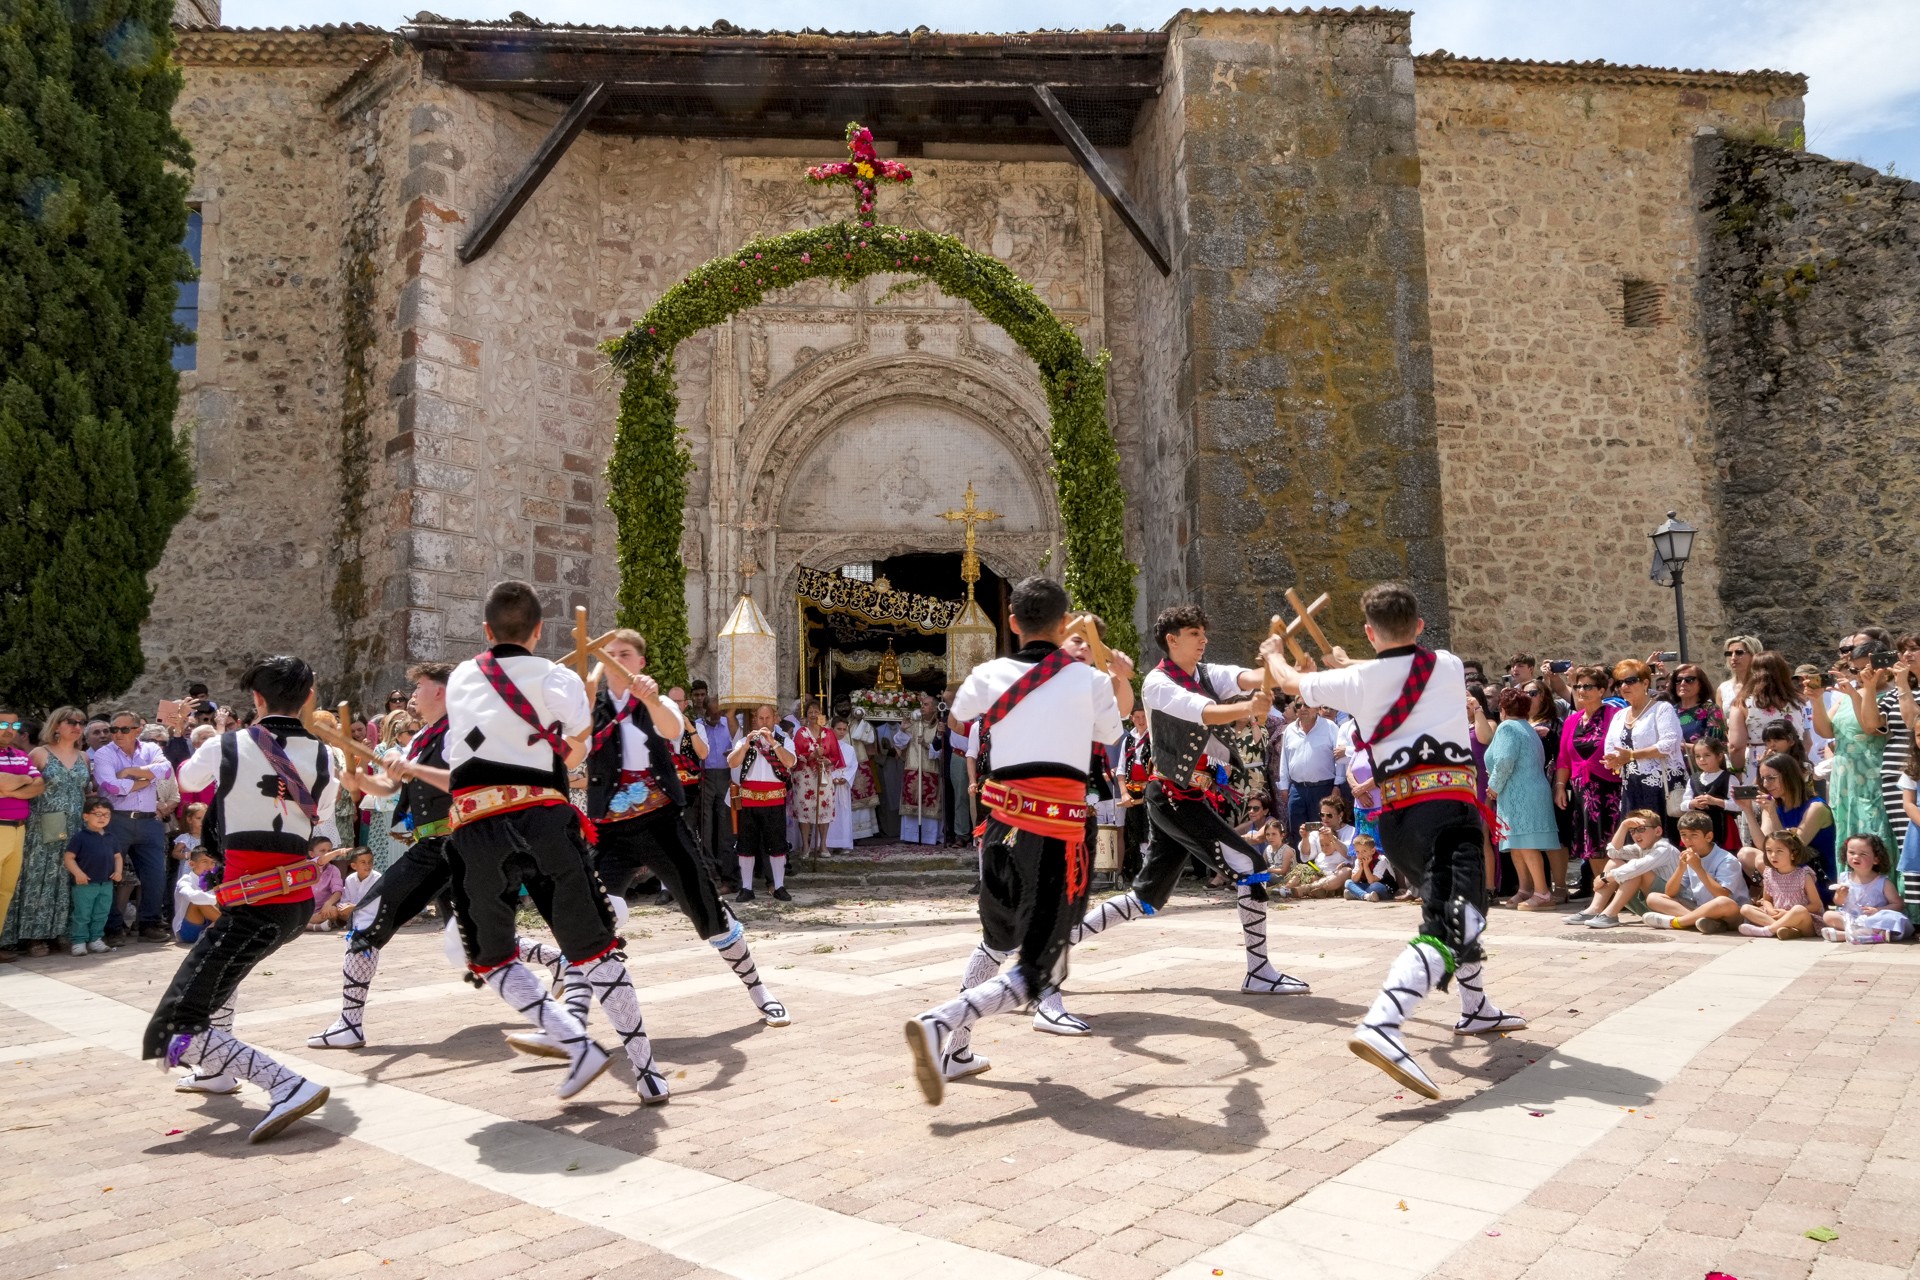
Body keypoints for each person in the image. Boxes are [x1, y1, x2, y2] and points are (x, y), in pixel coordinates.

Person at [1264, 582, 1524, 1099]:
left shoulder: (1356, 681)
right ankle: (1383, 1023)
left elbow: (1294, 680)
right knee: (1459, 915)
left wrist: (1274, 654)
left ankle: (1474, 1006)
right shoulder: (1446, 664)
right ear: (1421, 626)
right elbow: (1403, 666)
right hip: (1449, 810)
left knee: (1454, 909)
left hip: (1395, 820)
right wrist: (1348, 662)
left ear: (1368, 630)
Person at [439, 582, 671, 1103]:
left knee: (490, 956)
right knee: (598, 949)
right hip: (543, 817)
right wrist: (572, 694)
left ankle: (573, 1041)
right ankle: (648, 1071)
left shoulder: (460, 676)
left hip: (476, 824)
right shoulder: (556, 676)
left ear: (485, 631)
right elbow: (579, 731)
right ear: (541, 631)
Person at [904, 577, 1124, 1103]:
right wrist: (1115, 677)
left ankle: (958, 1051)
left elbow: (959, 717)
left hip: (1002, 826)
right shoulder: (1089, 680)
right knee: (1041, 960)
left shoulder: (986, 674)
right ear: (1066, 621)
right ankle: (942, 1023)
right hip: (1059, 832)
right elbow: (1112, 736)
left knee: (996, 939)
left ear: (1012, 622)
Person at [1069, 603, 1307, 1003]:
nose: (1204, 639)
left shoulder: (1208, 673)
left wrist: (1273, 661)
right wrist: (1248, 708)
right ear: (1172, 639)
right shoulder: (1158, 684)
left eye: (1203, 632)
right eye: (1194, 633)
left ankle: (1061, 941)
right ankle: (1260, 971)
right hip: (1171, 796)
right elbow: (1203, 712)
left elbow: (1246, 677)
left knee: (1146, 898)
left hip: (1185, 797)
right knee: (1251, 864)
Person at [143, 654, 336, 1143]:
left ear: (255, 698)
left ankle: (286, 1084)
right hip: (293, 901)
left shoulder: (227, 745)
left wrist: (179, 733)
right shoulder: (324, 757)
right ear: (309, 698)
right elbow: (325, 812)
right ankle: (217, 1072)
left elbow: (182, 783)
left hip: (253, 901)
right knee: (221, 976)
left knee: (178, 1019)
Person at [575, 629, 788, 1037]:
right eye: (610, 654)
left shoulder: (656, 702)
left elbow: (673, 731)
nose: (617, 660)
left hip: (659, 822)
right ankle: (568, 1022)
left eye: (626, 654)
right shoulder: (592, 705)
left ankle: (760, 992)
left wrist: (653, 699)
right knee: (589, 919)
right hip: (611, 830)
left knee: (708, 911)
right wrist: (578, 710)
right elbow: (572, 753)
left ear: (639, 662)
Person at [1, 707, 83, 960]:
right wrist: (19, 786)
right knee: (37, 880)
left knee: (59, 880)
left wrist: (15, 787)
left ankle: (56, 931)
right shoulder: (39, 753)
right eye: (71, 722)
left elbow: (35, 785)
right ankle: (30, 935)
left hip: (65, 827)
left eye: (81, 722)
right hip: (36, 826)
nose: (77, 726)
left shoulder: (83, 757)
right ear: (56, 725)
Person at [91, 710, 176, 943]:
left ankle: (149, 924)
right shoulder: (104, 754)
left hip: (149, 821)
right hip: (117, 819)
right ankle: (112, 928)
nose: (117, 734)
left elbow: (166, 771)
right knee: (110, 874)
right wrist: (148, 778)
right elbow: (111, 786)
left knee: (155, 875)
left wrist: (129, 772)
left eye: (124, 729)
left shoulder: (151, 749)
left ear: (138, 729)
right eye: (114, 729)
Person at [1810, 635, 1894, 855]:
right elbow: (1827, 731)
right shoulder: (1846, 695)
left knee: (1875, 836)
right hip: (1844, 776)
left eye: (1865, 669)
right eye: (1855, 671)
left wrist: (1861, 692)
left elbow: (1870, 727)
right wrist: (1816, 700)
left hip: (1872, 775)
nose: (1859, 676)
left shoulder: (1890, 695)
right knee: (1848, 836)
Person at [1485, 686, 1562, 909]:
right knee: (1517, 843)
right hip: (1522, 792)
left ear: (1502, 708)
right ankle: (1525, 889)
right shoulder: (1526, 727)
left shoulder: (1507, 727)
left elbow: (1505, 761)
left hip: (1520, 792)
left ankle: (1542, 893)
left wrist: (1493, 787)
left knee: (1526, 843)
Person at [1555, 666, 1622, 896]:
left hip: (1611, 787)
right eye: (1578, 686)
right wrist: (1560, 787)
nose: (1581, 690)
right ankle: (1604, 890)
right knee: (1591, 842)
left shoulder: (1614, 715)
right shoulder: (1572, 720)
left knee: (1613, 841)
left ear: (1602, 690)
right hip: (1583, 790)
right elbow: (1563, 758)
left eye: (1588, 686)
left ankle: (1621, 891)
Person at [1603, 659, 1685, 840]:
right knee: (1635, 842)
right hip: (1632, 786)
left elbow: (1669, 744)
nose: (1624, 686)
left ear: (1646, 682)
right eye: (1620, 682)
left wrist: (1632, 755)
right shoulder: (1619, 716)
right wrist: (1613, 759)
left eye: (1630, 680)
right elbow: (1610, 747)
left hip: (1661, 787)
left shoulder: (1662, 709)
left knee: (1662, 841)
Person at [1734, 752, 1836, 892]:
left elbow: (1792, 849)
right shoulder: (1773, 805)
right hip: (1786, 870)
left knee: (1762, 860)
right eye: (1763, 779)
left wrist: (1772, 814)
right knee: (1745, 854)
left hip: (1816, 876)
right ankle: (1779, 897)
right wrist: (1748, 810)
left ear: (1789, 776)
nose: (1765, 784)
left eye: (1771, 778)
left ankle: (1781, 898)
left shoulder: (1816, 808)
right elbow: (1764, 845)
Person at [1565, 810, 1680, 929]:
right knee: (1614, 862)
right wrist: (1623, 826)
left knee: (1634, 870)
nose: (1636, 835)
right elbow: (1613, 853)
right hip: (1649, 903)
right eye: (1632, 831)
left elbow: (1637, 867)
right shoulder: (1640, 848)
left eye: (1641, 829)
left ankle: (1610, 914)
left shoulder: (1665, 849)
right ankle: (1594, 909)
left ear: (1658, 831)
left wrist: (1604, 878)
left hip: (1670, 903)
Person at [728, 704, 797, 902]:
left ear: (775, 718)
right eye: (760, 718)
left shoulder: (784, 740)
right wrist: (746, 744)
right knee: (746, 846)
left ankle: (779, 886)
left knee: (777, 845)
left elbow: (791, 762)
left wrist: (773, 743)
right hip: (749, 800)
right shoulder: (745, 740)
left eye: (768, 718)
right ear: (755, 720)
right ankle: (747, 888)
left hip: (774, 799)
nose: (764, 722)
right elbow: (732, 763)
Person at [1642, 810, 1750, 933]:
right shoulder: (1691, 856)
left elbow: (1722, 895)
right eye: (1683, 835)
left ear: (1708, 837)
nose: (1687, 840)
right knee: (1653, 898)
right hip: (1700, 907)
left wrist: (1699, 868)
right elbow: (1670, 892)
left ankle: (1677, 922)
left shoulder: (1727, 860)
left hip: (1730, 913)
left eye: (1694, 835)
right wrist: (1680, 868)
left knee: (1723, 903)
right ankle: (1702, 921)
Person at [1820, 834, 1912, 943]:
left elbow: (1898, 904)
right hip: (1851, 918)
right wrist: (1840, 895)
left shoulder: (1883, 882)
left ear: (1876, 859)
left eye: (1863, 854)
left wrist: (1878, 910)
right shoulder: (1844, 877)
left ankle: (1846, 935)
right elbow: (1838, 903)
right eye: (1851, 852)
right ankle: (1873, 936)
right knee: (1828, 915)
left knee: (1896, 918)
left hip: (1873, 919)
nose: (1855, 857)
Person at [1726, 650, 1801, 783]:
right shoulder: (1798, 701)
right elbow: (1807, 739)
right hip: (1795, 762)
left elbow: (1735, 746)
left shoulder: (1742, 703)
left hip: (1760, 764)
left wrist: (1737, 772)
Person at [63, 798, 125, 956]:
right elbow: (69, 857)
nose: (102, 817)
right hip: (85, 884)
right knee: (82, 913)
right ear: (85, 816)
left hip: (106, 884)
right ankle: (78, 941)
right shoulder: (80, 837)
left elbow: (117, 857)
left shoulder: (111, 837)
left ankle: (96, 939)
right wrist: (78, 873)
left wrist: (118, 872)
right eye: (97, 813)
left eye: (106, 814)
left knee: (101, 913)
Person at [1274, 699, 1339, 842]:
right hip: (1297, 790)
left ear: (1317, 707)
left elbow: (1339, 760)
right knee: (1298, 832)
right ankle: (1301, 865)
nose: (1303, 708)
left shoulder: (1330, 727)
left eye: (1307, 705)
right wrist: (1284, 787)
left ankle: (1321, 864)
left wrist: (1337, 786)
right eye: (1298, 705)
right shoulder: (1289, 730)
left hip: (1324, 789)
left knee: (1322, 833)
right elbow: (1284, 760)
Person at [1737, 831, 1820, 939]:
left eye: (1779, 851)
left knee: (1799, 910)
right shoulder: (1768, 873)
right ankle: (1783, 930)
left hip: (1801, 920)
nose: (1773, 855)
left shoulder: (1803, 875)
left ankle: (1768, 930)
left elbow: (1816, 905)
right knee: (1745, 908)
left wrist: (1787, 913)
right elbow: (1766, 900)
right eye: (1769, 851)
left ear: (1793, 854)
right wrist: (1771, 910)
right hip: (1777, 915)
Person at [789, 701, 840, 862]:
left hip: (823, 775)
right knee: (805, 810)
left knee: (823, 810)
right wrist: (811, 756)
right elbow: (796, 754)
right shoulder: (801, 733)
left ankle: (823, 844)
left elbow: (835, 755)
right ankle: (805, 845)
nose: (813, 714)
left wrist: (826, 759)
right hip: (805, 776)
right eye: (810, 711)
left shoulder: (828, 733)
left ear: (821, 714)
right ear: (806, 714)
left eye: (816, 711)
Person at [891, 694, 945, 844]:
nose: (922, 706)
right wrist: (902, 730)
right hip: (913, 767)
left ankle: (929, 837)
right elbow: (900, 745)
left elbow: (939, 752)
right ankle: (911, 836)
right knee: (912, 801)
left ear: (935, 708)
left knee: (929, 801)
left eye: (926, 704)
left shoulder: (938, 726)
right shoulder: (914, 723)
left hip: (931, 769)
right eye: (922, 704)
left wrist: (927, 744)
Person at [696, 698, 736, 877]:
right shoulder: (698, 725)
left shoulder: (728, 724)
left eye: (719, 713)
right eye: (712, 714)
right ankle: (709, 866)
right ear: (705, 712)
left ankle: (724, 865)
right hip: (706, 776)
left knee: (723, 821)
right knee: (706, 822)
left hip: (725, 776)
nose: (716, 717)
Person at [1681, 737, 1739, 852]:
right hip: (1697, 828)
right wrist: (1693, 803)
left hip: (1723, 827)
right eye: (1698, 756)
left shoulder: (1729, 778)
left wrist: (1715, 801)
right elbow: (1683, 805)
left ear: (1719, 756)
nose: (1702, 759)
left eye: (1707, 755)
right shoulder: (1693, 779)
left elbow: (1738, 805)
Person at [1665, 663, 1724, 745]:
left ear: (1701, 684)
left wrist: (1678, 746)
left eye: (1689, 679)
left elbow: (1714, 746)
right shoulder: (1669, 711)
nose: (1683, 683)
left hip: (1700, 757)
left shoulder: (1711, 709)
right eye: (1678, 680)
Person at [172, 848, 221, 944]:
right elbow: (192, 896)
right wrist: (218, 899)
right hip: (186, 931)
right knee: (198, 901)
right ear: (192, 864)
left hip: (209, 924)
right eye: (205, 862)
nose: (210, 866)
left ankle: (228, 927)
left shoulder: (214, 879)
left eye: (212, 863)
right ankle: (231, 927)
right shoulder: (185, 880)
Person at [305, 842, 345, 930]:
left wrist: (328, 903)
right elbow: (321, 861)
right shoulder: (307, 865)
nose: (327, 854)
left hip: (321, 911)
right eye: (322, 851)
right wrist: (336, 852)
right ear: (311, 854)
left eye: (329, 851)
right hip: (303, 910)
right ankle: (313, 927)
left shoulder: (334, 870)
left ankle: (304, 925)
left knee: (333, 911)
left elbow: (338, 891)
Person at [1344, 834, 1395, 900]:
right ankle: (1365, 896)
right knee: (1348, 882)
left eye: (1364, 851)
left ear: (1372, 851)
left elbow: (1371, 881)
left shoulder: (1381, 860)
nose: (1360, 854)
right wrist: (1360, 868)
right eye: (1357, 852)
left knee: (1375, 887)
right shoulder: (1358, 861)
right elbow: (1354, 879)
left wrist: (1366, 866)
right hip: (1368, 886)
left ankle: (1355, 893)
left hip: (1385, 887)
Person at [1718, 635, 1761, 713]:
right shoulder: (1723, 688)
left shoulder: (1765, 685)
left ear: (1754, 654)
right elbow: (1720, 722)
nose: (1733, 657)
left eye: (1739, 652)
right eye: (1729, 653)